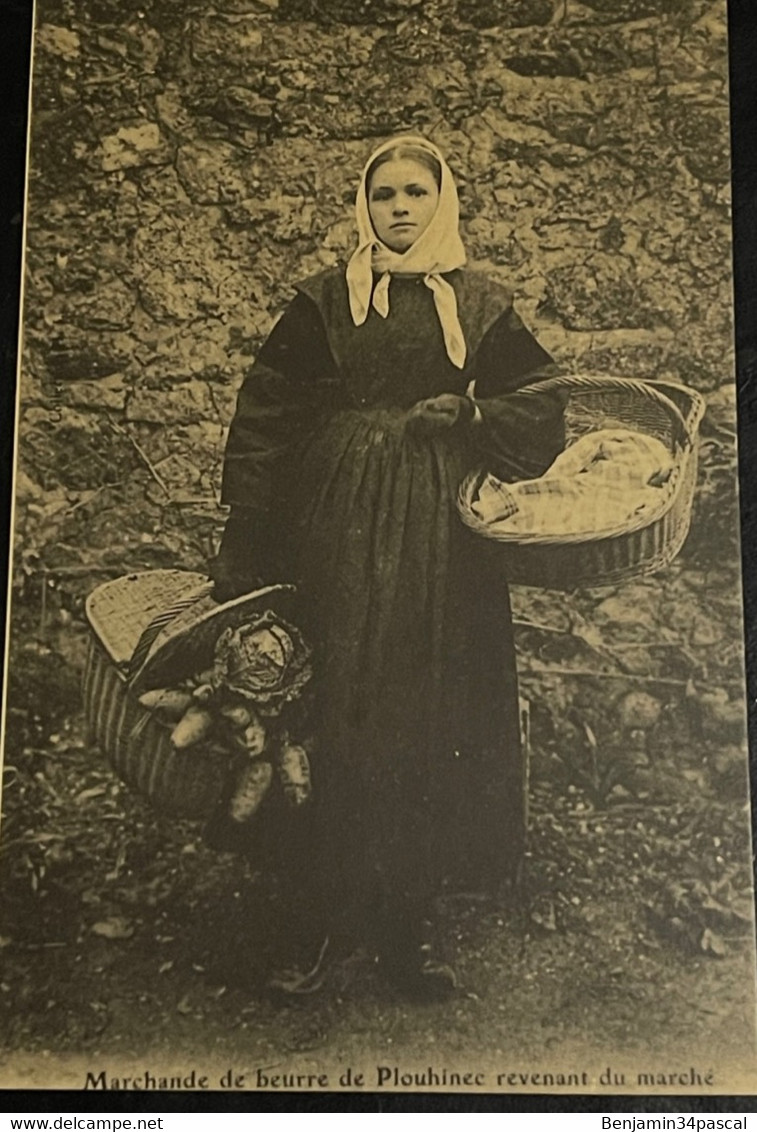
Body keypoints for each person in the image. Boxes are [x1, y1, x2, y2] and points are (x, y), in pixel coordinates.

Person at [209, 135, 566, 999]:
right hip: (329, 532)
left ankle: (408, 929)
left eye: (414, 193)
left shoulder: (479, 303)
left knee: (424, 715)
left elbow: (540, 406)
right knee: (324, 708)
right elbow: (267, 411)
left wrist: (470, 415)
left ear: (440, 202)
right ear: (361, 207)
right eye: (382, 195)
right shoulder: (327, 301)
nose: (398, 209)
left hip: (441, 550)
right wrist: (248, 529)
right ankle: (314, 920)